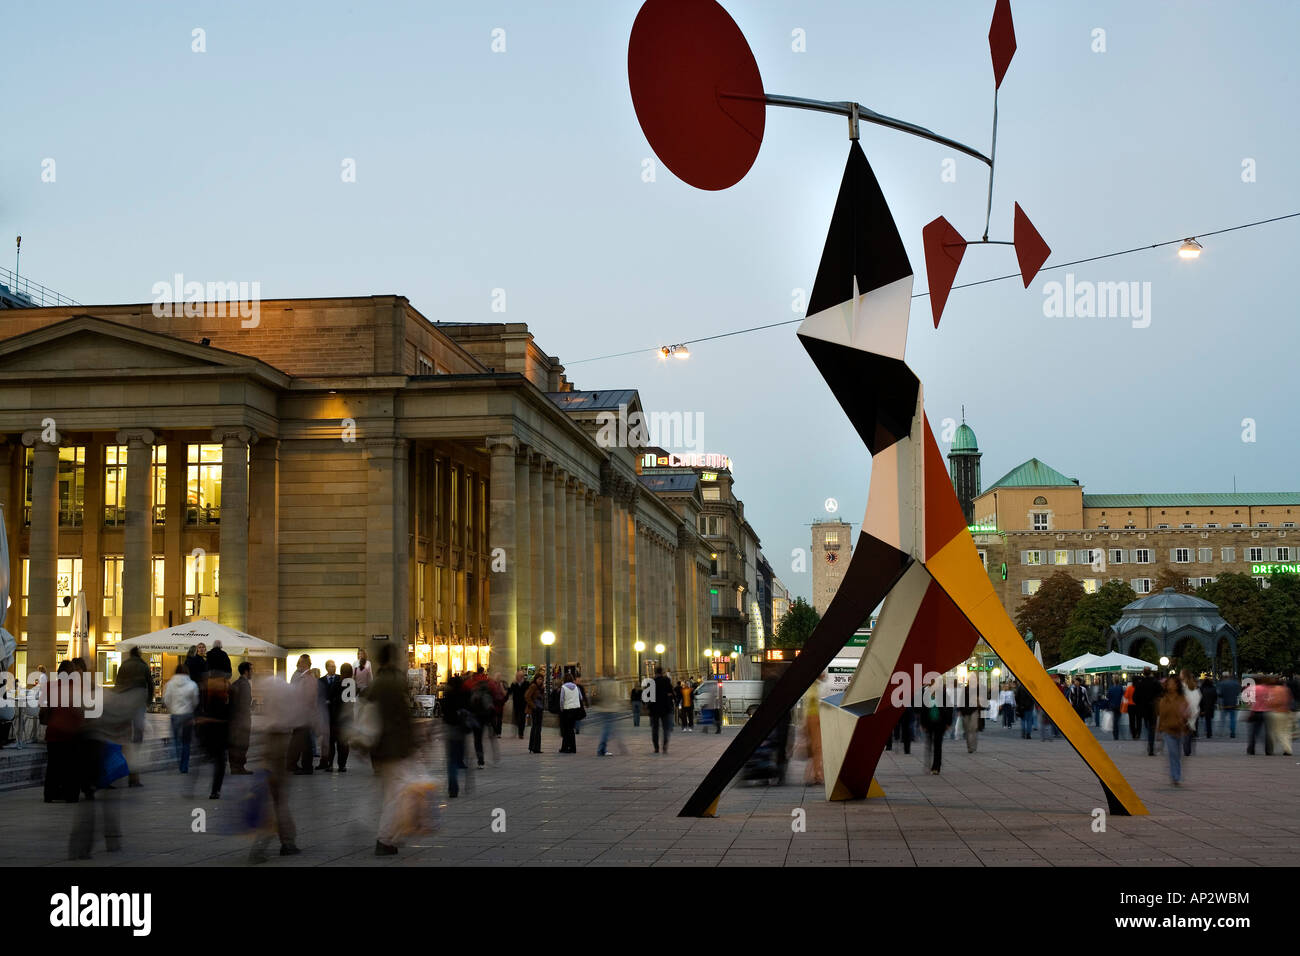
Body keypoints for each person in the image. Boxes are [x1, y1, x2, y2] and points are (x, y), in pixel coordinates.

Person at [249, 672, 301, 862]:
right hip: (281, 742)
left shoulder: (269, 696)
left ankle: (287, 840)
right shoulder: (287, 695)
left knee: (273, 797)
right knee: (277, 799)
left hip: (270, 742)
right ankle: (279, 842)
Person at [370, 644, 416, 855]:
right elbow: (404, 716)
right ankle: (386, 839)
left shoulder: (376, 682)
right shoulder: (395, 681)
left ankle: (389, 835)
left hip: (379, 747)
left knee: (391, 791)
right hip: (395, 746)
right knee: (396, 794)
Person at [114, 646, 151, 787]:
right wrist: (148, 702)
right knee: (137, 738)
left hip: (124, 704)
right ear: (139, 654)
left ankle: (127, 767)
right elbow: (151, 684)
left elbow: (118, 684)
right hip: (138, 704)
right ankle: (134, 775)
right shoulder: (143, 666)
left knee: (125, 736)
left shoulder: (124, 666)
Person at [194, 666, 230, 800]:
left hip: (209, 731)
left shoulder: (204, 690)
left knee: (215, 761)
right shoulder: (219, 692)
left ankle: (213, 790)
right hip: (215, 731)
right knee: (219, 762)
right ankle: (215, 791)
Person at [163, 663, 198, 774]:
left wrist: (172, 709)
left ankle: (178, 761)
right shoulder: (192, 684)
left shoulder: (170, 684)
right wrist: (190, 709)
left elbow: (166, 699)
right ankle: (184, 766)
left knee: (176, 740)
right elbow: (195, 701)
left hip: (175, 715)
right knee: (186, 742)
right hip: (187, 715)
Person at [1156, 676, 1190, 785]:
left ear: (1177, 685)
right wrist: (1160, 729)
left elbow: (1186, 712)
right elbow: (1161, 714)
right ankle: (1175, 777)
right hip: (1167, 729)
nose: (1171, 685)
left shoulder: (1181, 698)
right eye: (1169, 683)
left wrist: (1185, 718)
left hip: (1179, 729)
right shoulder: (1164, 699)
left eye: (1173, 683)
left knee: (1177, 754)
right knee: (1172, 753)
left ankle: (1176, 775)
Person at [442, 675, 472, 796]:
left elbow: (444, 714)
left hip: (450, 730)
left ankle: (453, 787)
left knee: (451, 760)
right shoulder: (464, 695)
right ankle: (460, 763)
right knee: (459, 756)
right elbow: (469, 709)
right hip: (461, 730)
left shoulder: (448, 696)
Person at [287, 654, 316, 774]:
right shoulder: (299, 676)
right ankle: (303, 765)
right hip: (301, 713)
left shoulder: (301, 676)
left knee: (300, 739)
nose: (307, 666)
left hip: (302, 713)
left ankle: (294, 764)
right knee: (303, 740)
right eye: (306, 664)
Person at [919, 686, 951, 775]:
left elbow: (949, 708)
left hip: (940, 723)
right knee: (928, 745)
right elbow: (923, 709)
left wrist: (948, 722)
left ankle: (936, 766)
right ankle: (928, 764)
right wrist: (922, 723)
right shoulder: (925, 694)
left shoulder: (943, 694)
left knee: (937, 745)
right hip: (929, 723)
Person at [228, 662, 254, 774]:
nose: (253, 672)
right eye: (251, 670)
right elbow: (244, 704)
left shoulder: (235, 683)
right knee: (242, 743)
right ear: (246, 671)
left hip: (234, 719)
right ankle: (239, 767)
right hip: (242, 719)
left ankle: (235, 766)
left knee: (235, 744)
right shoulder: (245, 684)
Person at [318, 660, 344, 771]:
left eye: (335, 666)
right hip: (326, 715)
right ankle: (328, 763)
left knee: (339, 741)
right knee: (328, 741)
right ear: (326, 668)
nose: (334, 668)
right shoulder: (321, 681)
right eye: (331, 666)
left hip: (338, 716)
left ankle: (341, 764)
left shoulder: (340, 679)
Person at [1134, 668, 1161, 756]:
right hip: (1153, 707)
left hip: (1143, 708)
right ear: (1150, 673)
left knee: (1147, 726)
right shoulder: (1155, 682)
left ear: (1143, 673)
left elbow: (1135, 697)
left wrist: (1139, 704)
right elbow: (1161, 693)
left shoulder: (1140, 683)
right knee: (1152, 728)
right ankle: (1151, 746)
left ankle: (1150, 744)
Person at [648, 666, 674, 754]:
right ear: (662, 672)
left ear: (655, 672)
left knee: (655, 729)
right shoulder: (666, 680)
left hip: (654, 709)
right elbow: (671, 692)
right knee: (666, 728)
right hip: (665, 707)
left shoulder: (651, 682)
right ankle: (665, 745)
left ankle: (656, 747)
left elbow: (647, 695)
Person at [1267, 676, 1294, 757]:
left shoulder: (1275, 689)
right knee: (1286, 732)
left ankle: (1273, 749)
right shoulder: (1286, 689)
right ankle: (1288, 749)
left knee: (1276, 732)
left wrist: (1269, 704)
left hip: (1277, 712)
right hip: (1287, 712)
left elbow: (1275, 701)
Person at [334, 662, 354, 772]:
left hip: (338, 715)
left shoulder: (338, 683)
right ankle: (343, 764)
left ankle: (338, 763)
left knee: (338, 741)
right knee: (345, 742)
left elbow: (335, 699)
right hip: (349, 715)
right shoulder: (352, 683)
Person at [1247, 674, 1273, 756]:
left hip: (1255, 712)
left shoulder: (1251, 689)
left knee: (1253, 732)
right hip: (1266, 712)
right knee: (1267, 733)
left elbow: (1249, 702)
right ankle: (1268, 750)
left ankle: (1251, 750)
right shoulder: (1267, 688)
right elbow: (1270, 700)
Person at [558, 669, 583, 753]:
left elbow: (561, 700)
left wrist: (561, 709)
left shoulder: (563, 687)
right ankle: (573, 748)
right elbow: (581, 697)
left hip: (567, 710)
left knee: (566, 730)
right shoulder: (576, 687)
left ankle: (565, 747)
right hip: (575, 710)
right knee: (571, 729)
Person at [1180, 669, 1201, 758]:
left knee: (1185, 730)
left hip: (1184, 710)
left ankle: (1186, 750)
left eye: (1181, 673)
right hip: (1194, 710)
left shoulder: (1182, 686)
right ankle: (1187, 750)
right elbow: (1198, 697)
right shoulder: (1195, 686)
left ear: (1183, 675)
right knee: (1189, 730)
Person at [525, 673, 545, 754]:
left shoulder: (540, 688)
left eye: (542, 679)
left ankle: (534, 747)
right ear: (536, 679)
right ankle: (534, 748)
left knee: (537, 729)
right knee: (536, 728)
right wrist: (533, 706)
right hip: (535, 710)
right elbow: (527, 696)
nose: (540, 681)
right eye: (539, 679)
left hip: (539, 709)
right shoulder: (533, 686)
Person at [1216, 672, 1241, 738]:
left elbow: (1219, 694)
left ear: (1224, 676)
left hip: (1224, 704)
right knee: (1232, 719)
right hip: (1233, 703)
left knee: (1223, 719)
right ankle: (1232, 732)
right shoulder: (1235, 683)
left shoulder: (1221, 684)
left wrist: (1219, 703)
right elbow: (1238, 692)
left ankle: (1221, 732)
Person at [506, 670, 529, 739]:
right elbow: (509, 692)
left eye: (518, 676)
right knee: (517, 718)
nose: (517, 677)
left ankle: (521, 733)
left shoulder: (526, 683)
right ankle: (518, 731)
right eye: (517, 676)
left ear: (522, 677)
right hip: (516, 704)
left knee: (522, 719)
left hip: (523, 704)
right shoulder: (514, 684)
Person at [1197, 674, 1218, 739]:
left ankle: (1203, 732)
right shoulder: (1213, 688)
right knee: (1209, 721)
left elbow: (1199, 698)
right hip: (1210, 707)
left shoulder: (1201, 689)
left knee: (1202, 721)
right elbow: (1215, 698)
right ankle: (1209, 733)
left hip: (1203, 707)